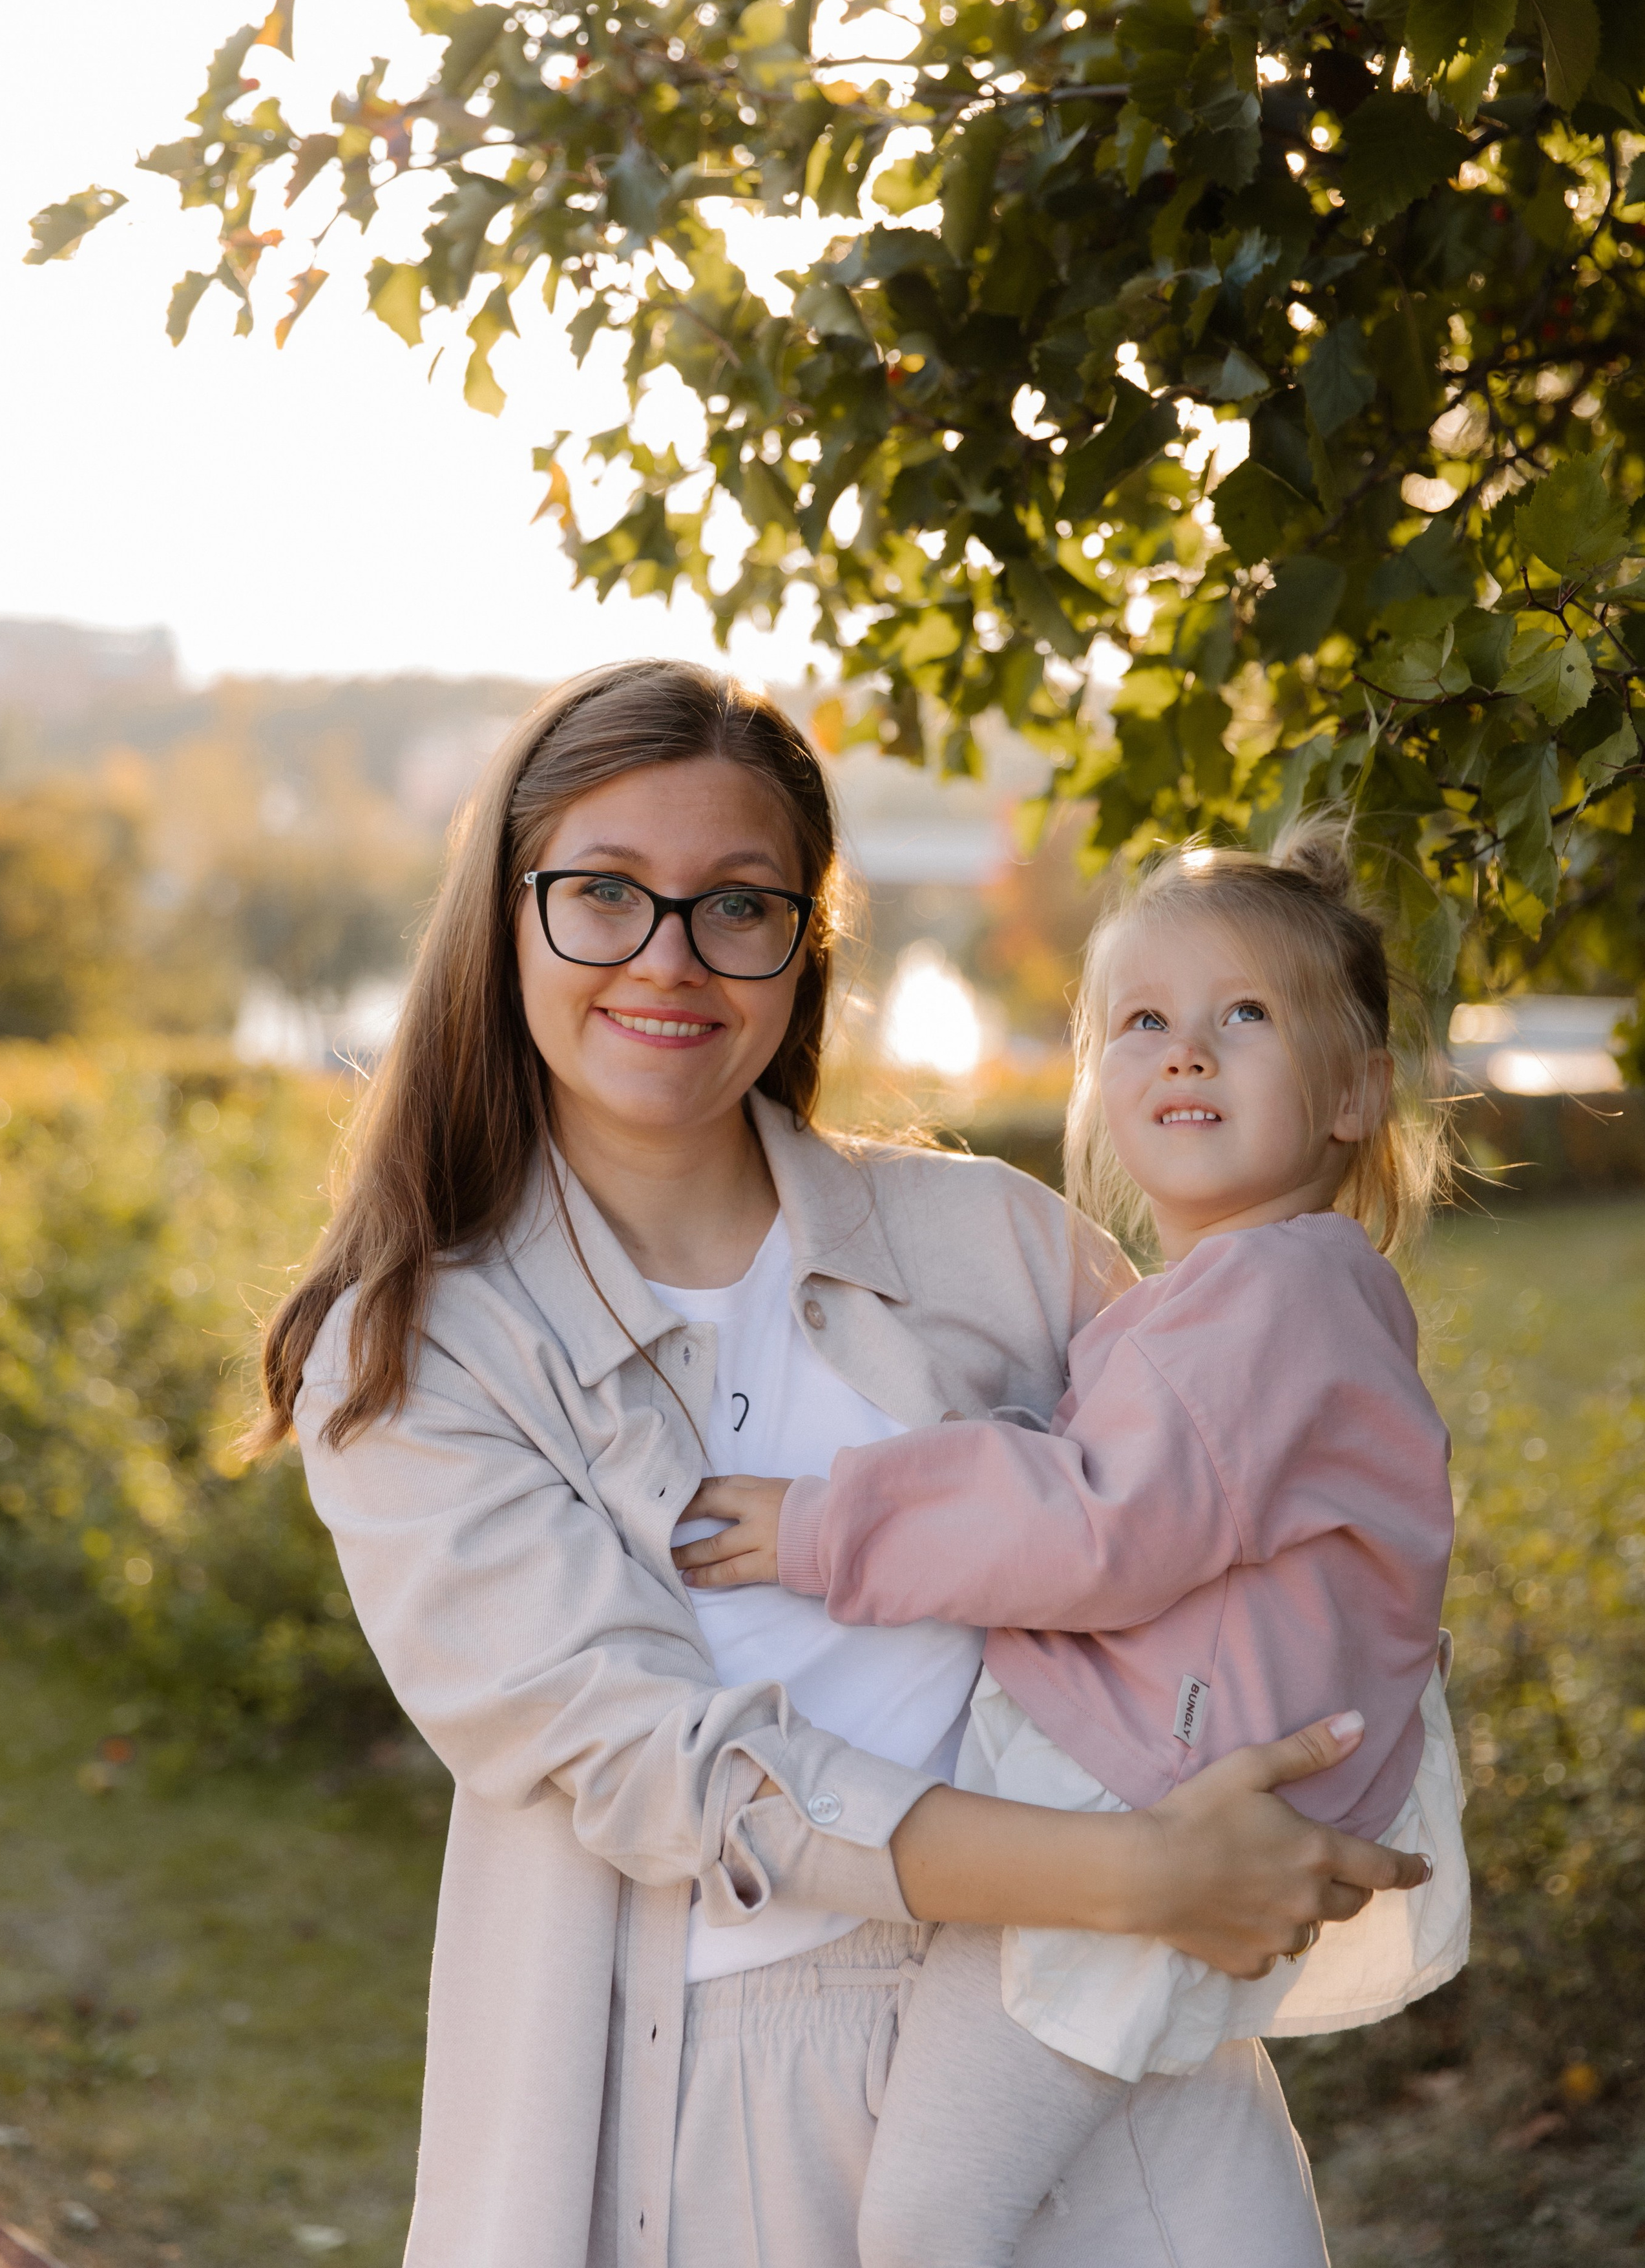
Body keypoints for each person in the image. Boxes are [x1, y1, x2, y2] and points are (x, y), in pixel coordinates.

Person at [253, 662, 1430, 2268]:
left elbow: (1229, 1513)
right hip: (731, 2094)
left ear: (802, 946)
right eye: (603, 894)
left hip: (1095, 2054)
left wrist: (1283, 1802)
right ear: (506, 915)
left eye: (738, 906)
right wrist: (1141, 1871)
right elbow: (658, 1767)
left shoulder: (991, 1241)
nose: (668, 958)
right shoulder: (416, 1354)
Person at [677, 825, 1469, 2268]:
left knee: (924, 2221)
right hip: (1193, 1784)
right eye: (1142, 1023)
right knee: (1194, 2195)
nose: (1185, 1054)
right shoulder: (1271, 1294)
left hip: (1133, 1808)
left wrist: (823, 1522)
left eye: (1244, 1017)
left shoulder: (1263, 1304)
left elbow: (1099, 1525)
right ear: (1099, 1077)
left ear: (1357, 1093)